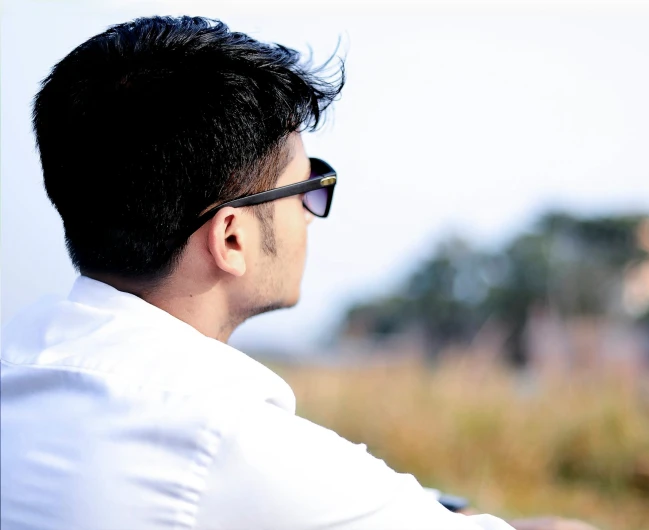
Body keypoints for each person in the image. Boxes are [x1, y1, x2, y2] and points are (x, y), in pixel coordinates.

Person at [0, 16, 597, 530]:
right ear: (231, 237)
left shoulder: (19, 370)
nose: (312, 218)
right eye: (309, 187)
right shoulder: (225, 437)